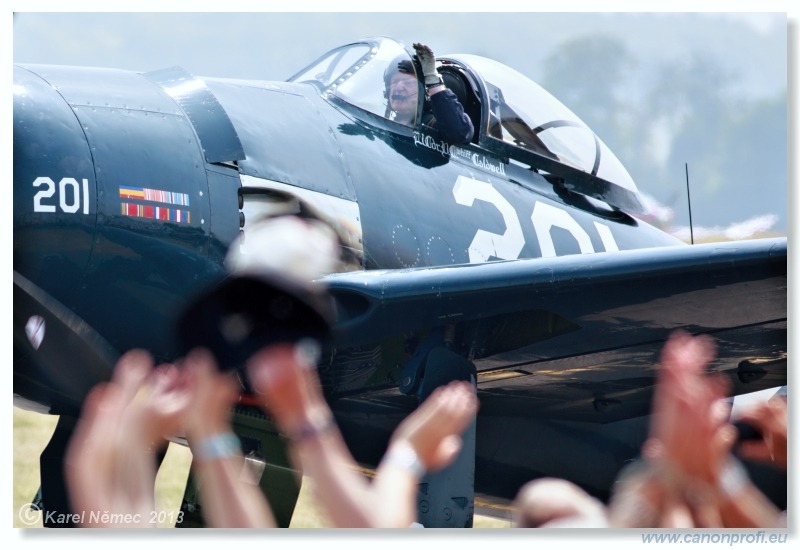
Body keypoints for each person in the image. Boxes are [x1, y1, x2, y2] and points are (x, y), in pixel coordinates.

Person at [384, 42, 474, 145]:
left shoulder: (432, 125)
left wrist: (432, 79)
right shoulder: (383, 125)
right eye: (394, 82)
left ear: (424, 92)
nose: (399, 88)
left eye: (408, 83)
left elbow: (459, 133)